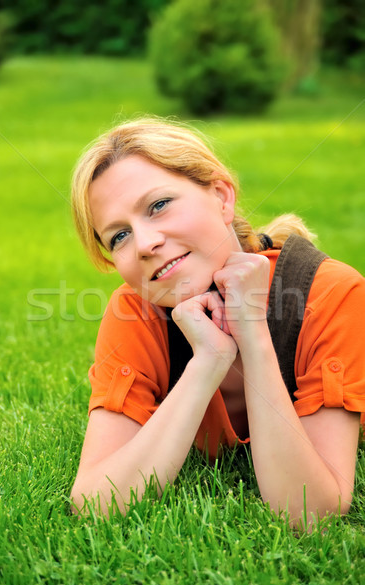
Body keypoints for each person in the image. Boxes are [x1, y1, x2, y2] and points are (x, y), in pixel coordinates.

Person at [70, 117, 364, 526]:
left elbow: (310, 512)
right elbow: (97, 505)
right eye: (119, 236)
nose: (145, 244)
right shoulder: (134, 311)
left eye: (158, 205)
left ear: (222, 196)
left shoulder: (331, 293)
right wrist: (208, 359)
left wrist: (253, 333)